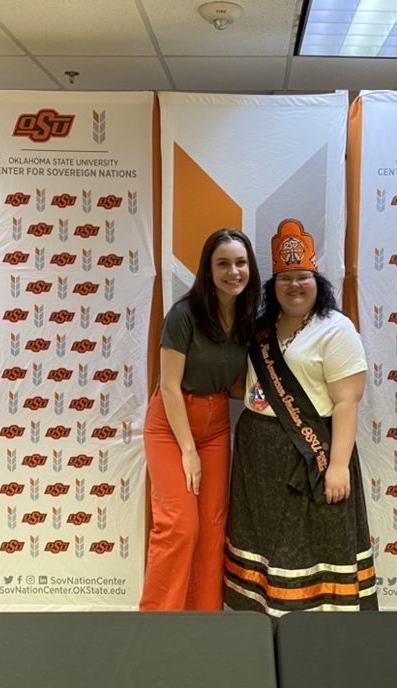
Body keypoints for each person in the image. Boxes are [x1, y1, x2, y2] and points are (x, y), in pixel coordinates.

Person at [224, 219, 378, 616]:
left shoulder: (336, 329)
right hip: (259, 455)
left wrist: (339, 466)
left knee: (313, 541)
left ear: (318, 281)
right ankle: (263, 624)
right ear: (273, 286)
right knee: (265, 541)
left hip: (312, 453)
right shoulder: (262, 328)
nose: (294, 285)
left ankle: (316, 637)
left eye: (303, 277)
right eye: (285, 278)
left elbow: (347, 401)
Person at [140, 228, 260, 611]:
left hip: (215, 422)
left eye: (240, 263)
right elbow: (169, 387)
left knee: (211, 527)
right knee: (180, 527)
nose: (233, 271)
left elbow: (238, 385)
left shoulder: (247, 317)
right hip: (171, 426)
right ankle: (159, 621)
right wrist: (188, 451)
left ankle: (204, 619)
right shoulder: (184, 314)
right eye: (223, 263)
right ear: (208, 270)